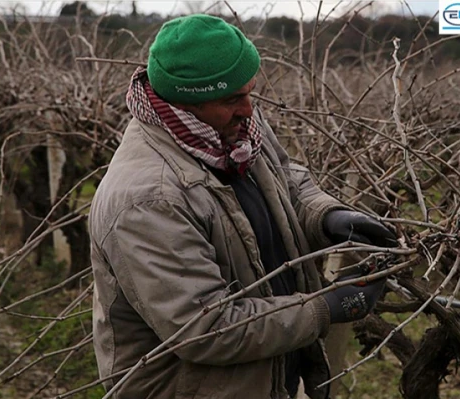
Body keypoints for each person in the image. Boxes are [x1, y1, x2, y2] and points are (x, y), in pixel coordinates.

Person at [89, 14, 397, 399]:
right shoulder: (148, 199)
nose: (249, 109)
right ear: (186, 102)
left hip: (269, 374)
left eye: (250, 91)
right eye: (233, 98)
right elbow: (205, 329)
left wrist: (327, 216)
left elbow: (283, 176)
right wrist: (324, 308)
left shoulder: (229, 125)